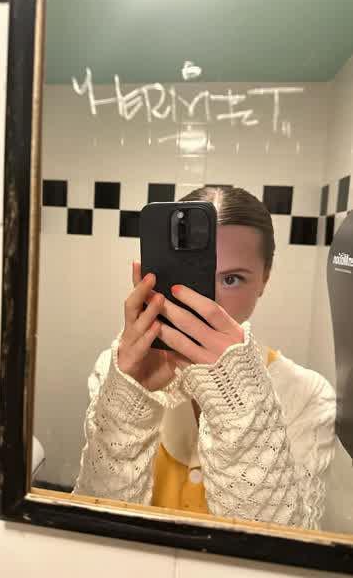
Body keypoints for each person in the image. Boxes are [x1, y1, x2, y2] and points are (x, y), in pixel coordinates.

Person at [73, 186, 336, 530]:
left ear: (265, 279)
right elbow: (92, 530)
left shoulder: (308, 395)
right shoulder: (120, 371)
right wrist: (127, 406)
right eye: (191, 275)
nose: (208, 301)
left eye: (232, 279)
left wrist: (238, 401)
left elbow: (291, 549)